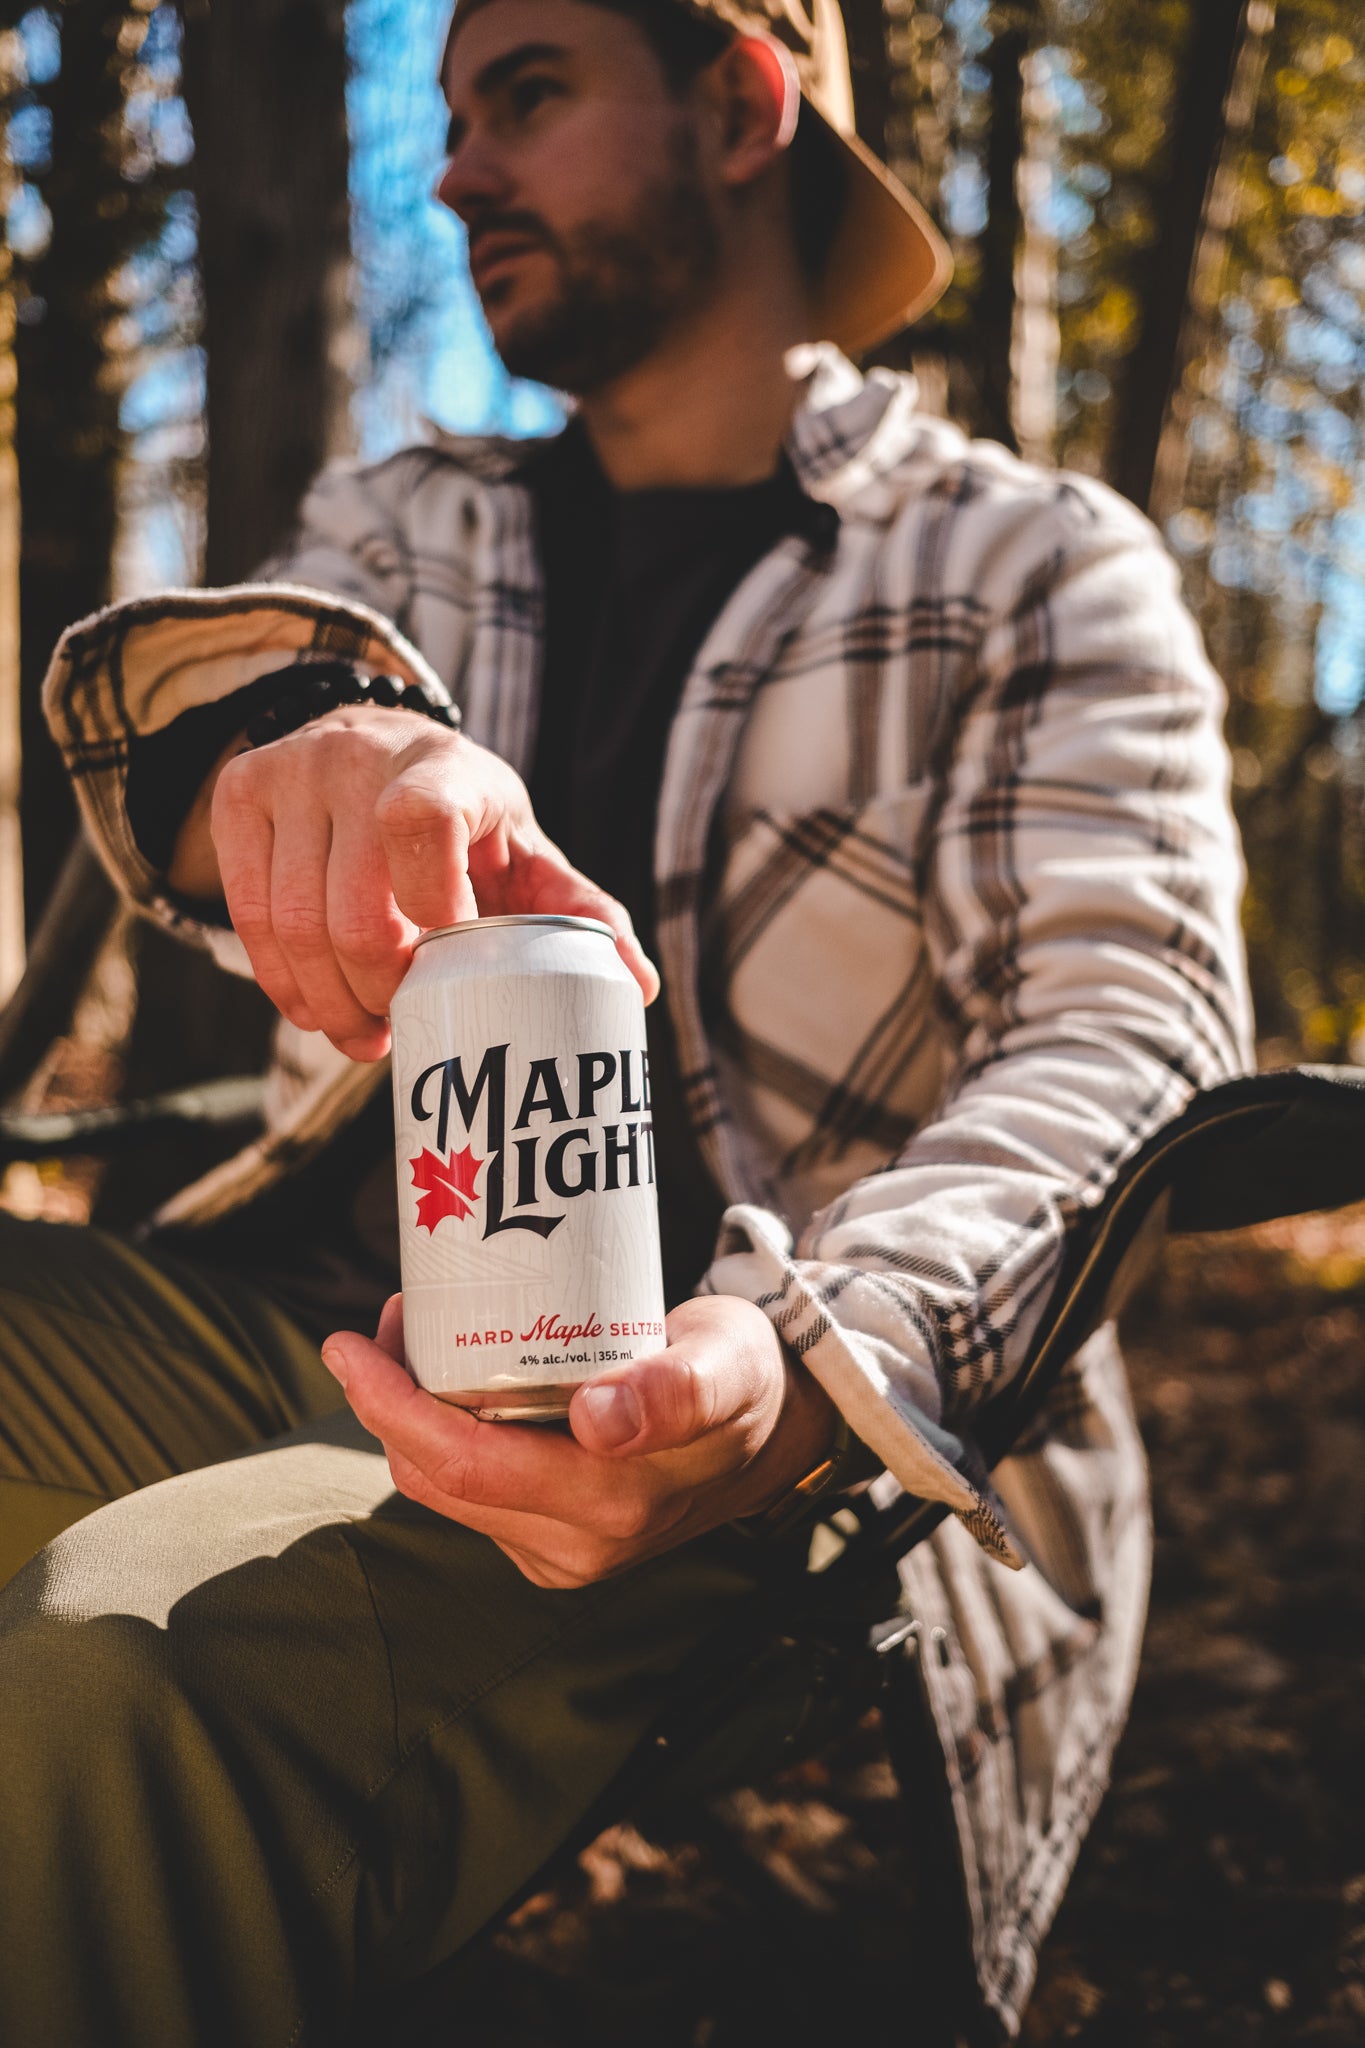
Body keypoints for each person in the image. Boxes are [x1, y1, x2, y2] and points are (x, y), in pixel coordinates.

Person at [0, 0, 1252, 2040]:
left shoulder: (1023, 563)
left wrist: (800, 1359)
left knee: (97, 1674)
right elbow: (206, 700)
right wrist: (314, 729)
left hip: (750, 1439)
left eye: (527, 93)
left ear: (742, 105)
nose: (454, 170)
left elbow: (1129, 1039)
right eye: (447, 113)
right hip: (295, 1323)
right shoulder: (410, 524)